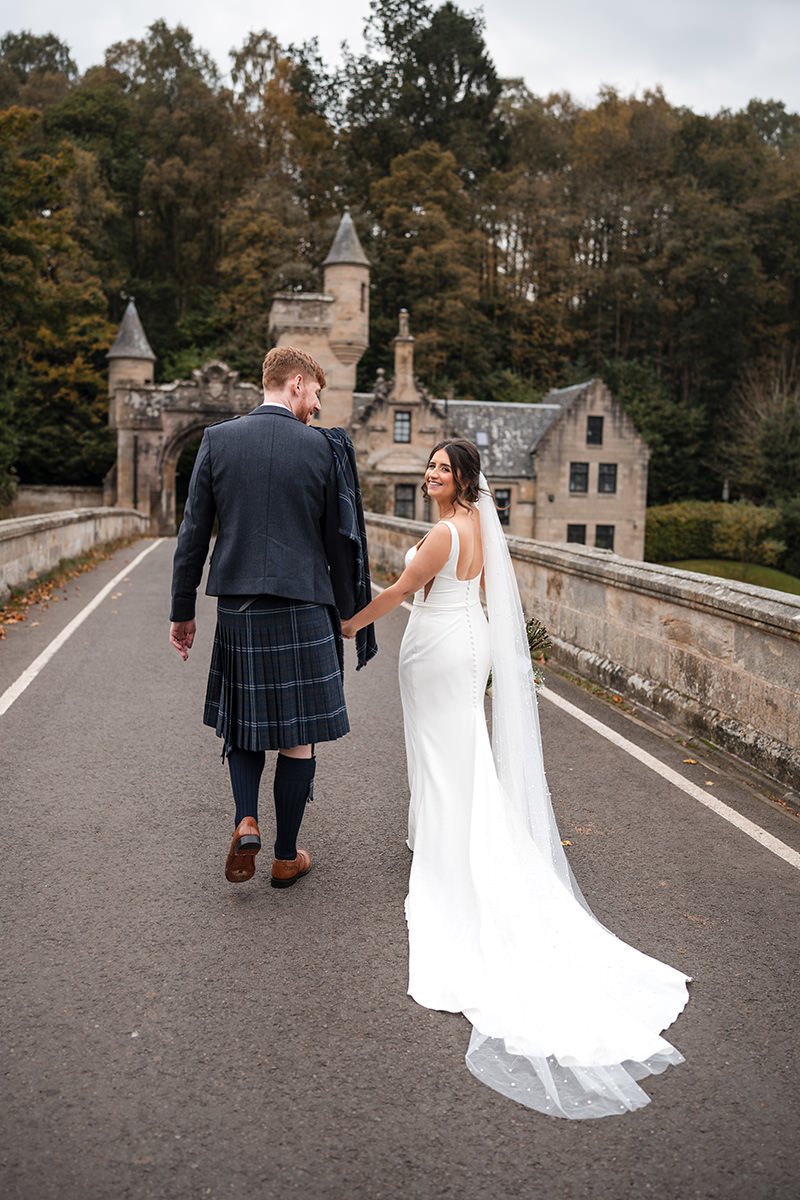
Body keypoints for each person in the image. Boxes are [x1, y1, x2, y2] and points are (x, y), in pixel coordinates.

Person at [341, 439, 691, 1119]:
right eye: (430, 467)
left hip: (441, 647)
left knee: (445, 756)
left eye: (441, 469)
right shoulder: (474, 526)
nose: (430, 474)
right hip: (464, 642)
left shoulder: (444, 532)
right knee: (459, 751)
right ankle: (448, 835)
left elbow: (402, 591)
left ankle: (450, 855)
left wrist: (348, 621)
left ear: (463, 479)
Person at [169, 347, 375, 888]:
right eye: (315, 395)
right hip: (306, 605)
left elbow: (192, 535)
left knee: (244, 725)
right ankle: (286, 856)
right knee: (298, 736)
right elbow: (341, 541)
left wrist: (181, 612)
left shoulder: (218, 440)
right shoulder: (322, 449)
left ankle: (245, 819)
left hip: (239, 606)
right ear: (296, 384)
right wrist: (349, 616)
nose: (316, 406)